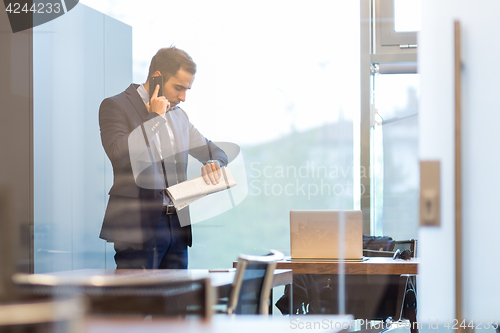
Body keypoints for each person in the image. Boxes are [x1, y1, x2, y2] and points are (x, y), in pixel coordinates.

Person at [99, 47, 228, 269]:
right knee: (140, 301)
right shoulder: (115, 106)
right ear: (156, 77)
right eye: (178, 88)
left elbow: (216, 152)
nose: (183, 98)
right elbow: (118, 154)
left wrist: (214, 162)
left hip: (176, 227)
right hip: (137, 228)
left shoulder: (179, 116)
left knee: (177, 300)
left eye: (187, 89)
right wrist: (155, 118)